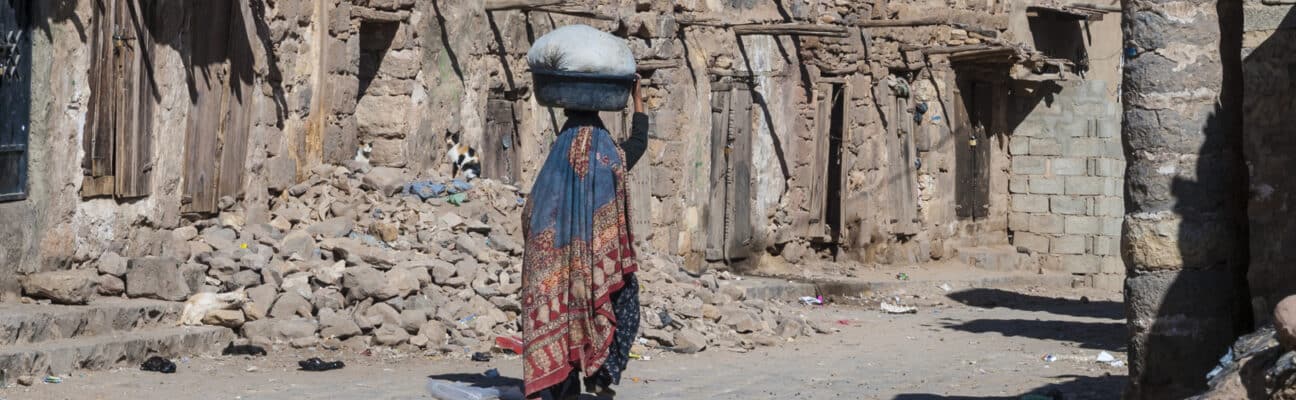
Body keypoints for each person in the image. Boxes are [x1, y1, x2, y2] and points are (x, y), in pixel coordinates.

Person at [521, 77, 649, 400]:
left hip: (556, 267)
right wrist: (638, 101)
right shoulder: (607, 154)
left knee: (560, 312)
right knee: (624, 297)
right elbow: (638, 143)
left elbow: (531, 212)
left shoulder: (556, 156)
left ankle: (564, 383)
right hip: (595, 267)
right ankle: (600, 377)